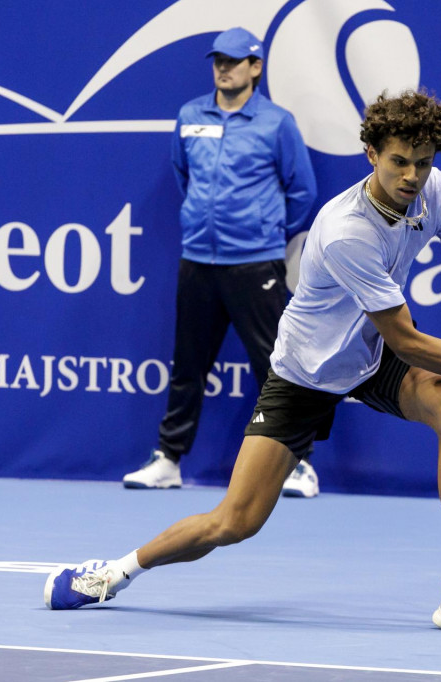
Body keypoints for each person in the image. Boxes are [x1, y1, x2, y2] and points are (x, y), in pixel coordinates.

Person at [49, 89, 441, 636]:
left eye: (422, 163)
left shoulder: (435, 192)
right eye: (399, 161)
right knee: (235, 521)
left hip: (370, 356)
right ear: (371, 153)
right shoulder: (348, 230)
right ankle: (114, 573)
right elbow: (408, 341)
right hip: (308, 372)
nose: (412, 176)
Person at [121, 27, 320, 497]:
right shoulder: (190, 115)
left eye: (234, 61)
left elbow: (302, 191)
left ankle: (300, 465)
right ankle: (168, 460)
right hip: (198, 262)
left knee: (276, 368)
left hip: (256, 264)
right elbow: (183, 175)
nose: (223, 68)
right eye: (218, 60)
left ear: (256, 67)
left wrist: (261, 231)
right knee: (188, 365)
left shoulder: (277, 122)